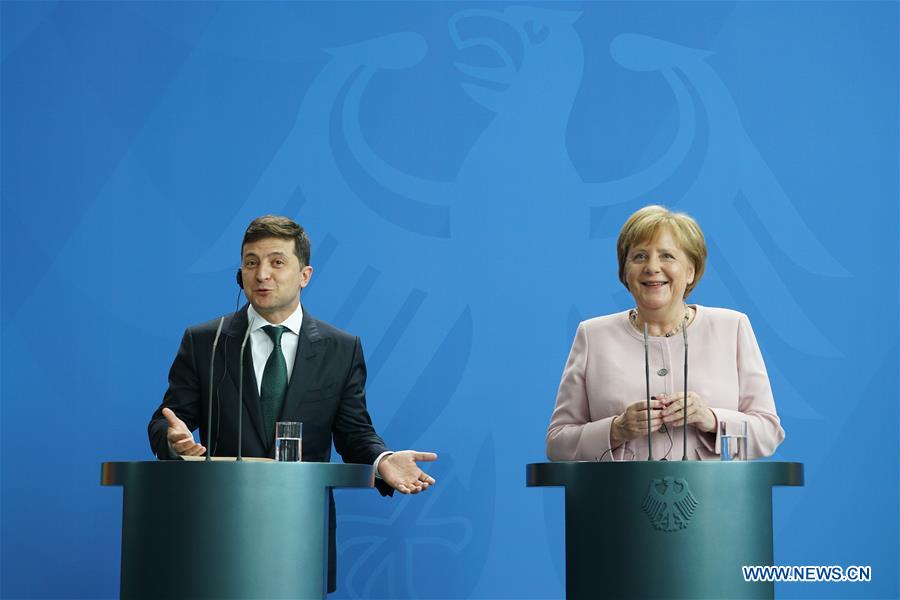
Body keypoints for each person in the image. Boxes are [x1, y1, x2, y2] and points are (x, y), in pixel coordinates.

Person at [148, 215, 437, 592]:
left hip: (300, 533)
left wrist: (383, 460)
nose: (262, 274)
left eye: (276, 262)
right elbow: (167, 421)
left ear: (305, 275)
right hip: (218, 530)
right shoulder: (207, 342)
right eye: (251, 262)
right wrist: (172, 441)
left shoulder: (340, 349)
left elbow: (354, 433)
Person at [546, 205, 784, 461]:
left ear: (691, 270)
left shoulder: (732, 327)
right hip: (617, 497)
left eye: (667, 256)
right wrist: (617, 429)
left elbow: (768, 433)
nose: (652, 267)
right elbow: (558, 443)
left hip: (712, 497)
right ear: (625, 272)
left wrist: (712, 419)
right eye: (639, 256)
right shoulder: (593, 335)